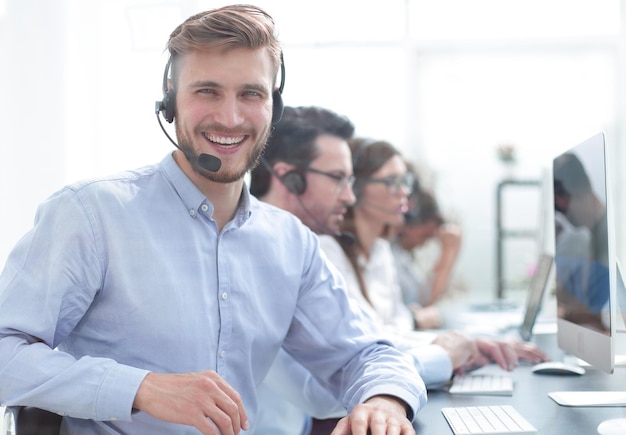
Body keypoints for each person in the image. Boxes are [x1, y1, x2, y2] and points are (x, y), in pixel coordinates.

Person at [0, 6, 427, 435]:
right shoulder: (91, 214)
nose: (230, 118)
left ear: (273, 105)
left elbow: (368, 352)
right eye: (207, 91)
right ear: (171, 98)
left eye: (251, 94)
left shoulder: (289, 243)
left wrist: (385, 401)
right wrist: (141, 388)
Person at [250, 110, 548, 434]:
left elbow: (364, 349)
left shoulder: (301, 251)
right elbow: (325, 390)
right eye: (338, 179)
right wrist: (442, 355)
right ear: (289, 178)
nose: (348, 197)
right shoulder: (266, 258)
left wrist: (458, 346)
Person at [391, 174, 463, 329]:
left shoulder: (403, 255)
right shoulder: (389, 256)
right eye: (423, 236)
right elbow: (424, 302)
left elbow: (422, 299)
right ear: (404, 226)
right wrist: (448, 252)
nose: (422, 244)